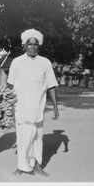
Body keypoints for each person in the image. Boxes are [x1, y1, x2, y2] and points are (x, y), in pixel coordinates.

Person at [7, 29, 59, 177]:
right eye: (29, 44)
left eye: (35, 44)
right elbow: (9, 85)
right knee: (22, 137)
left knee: (37, 137)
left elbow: (51, 85)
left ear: (39, 46)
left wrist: (55, 106)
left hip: (37, 107)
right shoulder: (16, 62)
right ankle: (21, 166)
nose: (32, 47)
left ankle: (37, 166)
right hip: (20, 107)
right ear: (24, 45)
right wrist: (5, 105)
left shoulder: (45, 63)